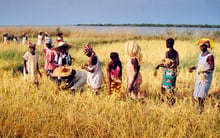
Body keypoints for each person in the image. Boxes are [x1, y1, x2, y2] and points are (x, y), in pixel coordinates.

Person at [189, 38, 215, 108]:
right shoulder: (200, 55)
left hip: (205, 79)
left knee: (201, 97)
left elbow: (212, 68)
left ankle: (200, 111)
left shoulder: (209, 56)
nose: (201, 47)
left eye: (203, 46)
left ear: (206, 46)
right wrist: (193, 68)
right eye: (200, 46)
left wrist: (203, 71)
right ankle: (198, 111)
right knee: (196, 96)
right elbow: (199, 66)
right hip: (199, 78)